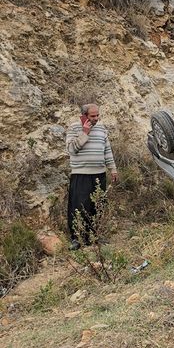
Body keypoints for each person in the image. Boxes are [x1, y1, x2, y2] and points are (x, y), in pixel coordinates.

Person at [66, 104, 118, 250]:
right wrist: (84, 133)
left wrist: (112, 169)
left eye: (97, 115)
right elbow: (71, 150)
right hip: (81, 174)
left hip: (99, 174)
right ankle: (77, 239)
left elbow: (107, 150)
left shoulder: (102, 129)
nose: (96, 119)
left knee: (97, 207)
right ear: (84, 116)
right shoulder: (74, 128)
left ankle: (94, 236)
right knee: (79, 207)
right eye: (92, 116)